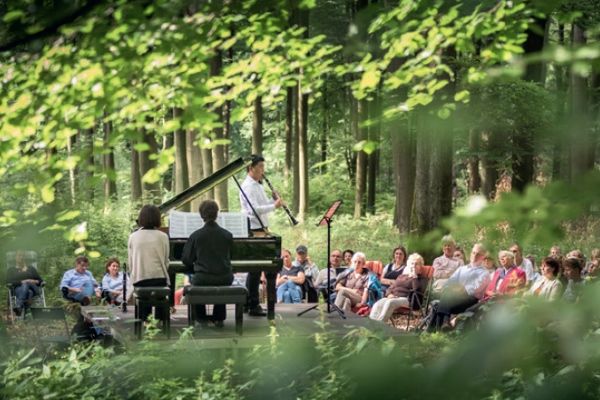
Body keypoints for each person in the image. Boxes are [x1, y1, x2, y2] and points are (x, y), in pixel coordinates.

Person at [239, 155, 283, 316]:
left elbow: (261, 204)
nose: (263, 171)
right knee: (255, 268)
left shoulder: (256, 185)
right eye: (260, 168)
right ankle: (252, 304)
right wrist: (274, 205)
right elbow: (253, 209)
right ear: (251, 168)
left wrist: (272, 199)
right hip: (253, 228)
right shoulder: (249, 186)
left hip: (261, 228)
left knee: (254, 269)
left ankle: (248, 302)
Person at [182, 200, 234, 328]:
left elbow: (186, 259)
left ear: (201, 215)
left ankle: (201, 318)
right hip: (225, 278)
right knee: (221, 278)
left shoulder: (196, 236)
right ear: (217, 214)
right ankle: (219, 318)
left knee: (197, 280)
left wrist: (195, 265)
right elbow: (232, 257)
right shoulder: (227, 235)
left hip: (203, 278)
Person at [427, 243, 491, 332]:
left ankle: (433, 331)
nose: (475, 255)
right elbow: (449, 282)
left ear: (483, 257)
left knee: (440, 304)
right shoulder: (462, 269)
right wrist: (454, 288)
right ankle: (444, 324)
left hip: (471, 301)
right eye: (473, 252)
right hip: (454, 298)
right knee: (444, 297)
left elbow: (474, 288)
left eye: (478, 254)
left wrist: (459, 289)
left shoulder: (484, 273)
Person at [128, 205, 170, 323]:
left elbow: (131, 263)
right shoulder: (163, 236)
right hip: (159, 279)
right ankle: (161, 320)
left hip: (140, 279)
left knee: (143, 288)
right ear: (157, 218)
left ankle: (145, 321)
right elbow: (166, 261)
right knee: (162, 287)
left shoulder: (133, 236)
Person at [369, 253, 428, 323]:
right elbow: (391, 287)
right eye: (412, 264)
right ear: (409, 265)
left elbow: (417, 291)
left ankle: (380, 324)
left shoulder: (422, 279)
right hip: (393, 297)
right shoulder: (401, 276)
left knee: (390, 302)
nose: (414, 266)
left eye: (416, 264)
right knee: (378, 303)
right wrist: (389, 294)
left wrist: (414, 277)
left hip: (408, 300)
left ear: (420, 266)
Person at [7, 251, 43, 316]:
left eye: (23, 256)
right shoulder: (11, 270)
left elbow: (40, 280)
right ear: (15, 258)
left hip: (33, 288)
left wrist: (31, 281)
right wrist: (22, 282)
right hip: (17, 289)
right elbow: (9, 281)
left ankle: (19, 305)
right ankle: (25, 315)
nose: (21, 257)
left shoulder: (31, 268)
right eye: (19, 255)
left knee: (26, 284)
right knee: (29, 292)